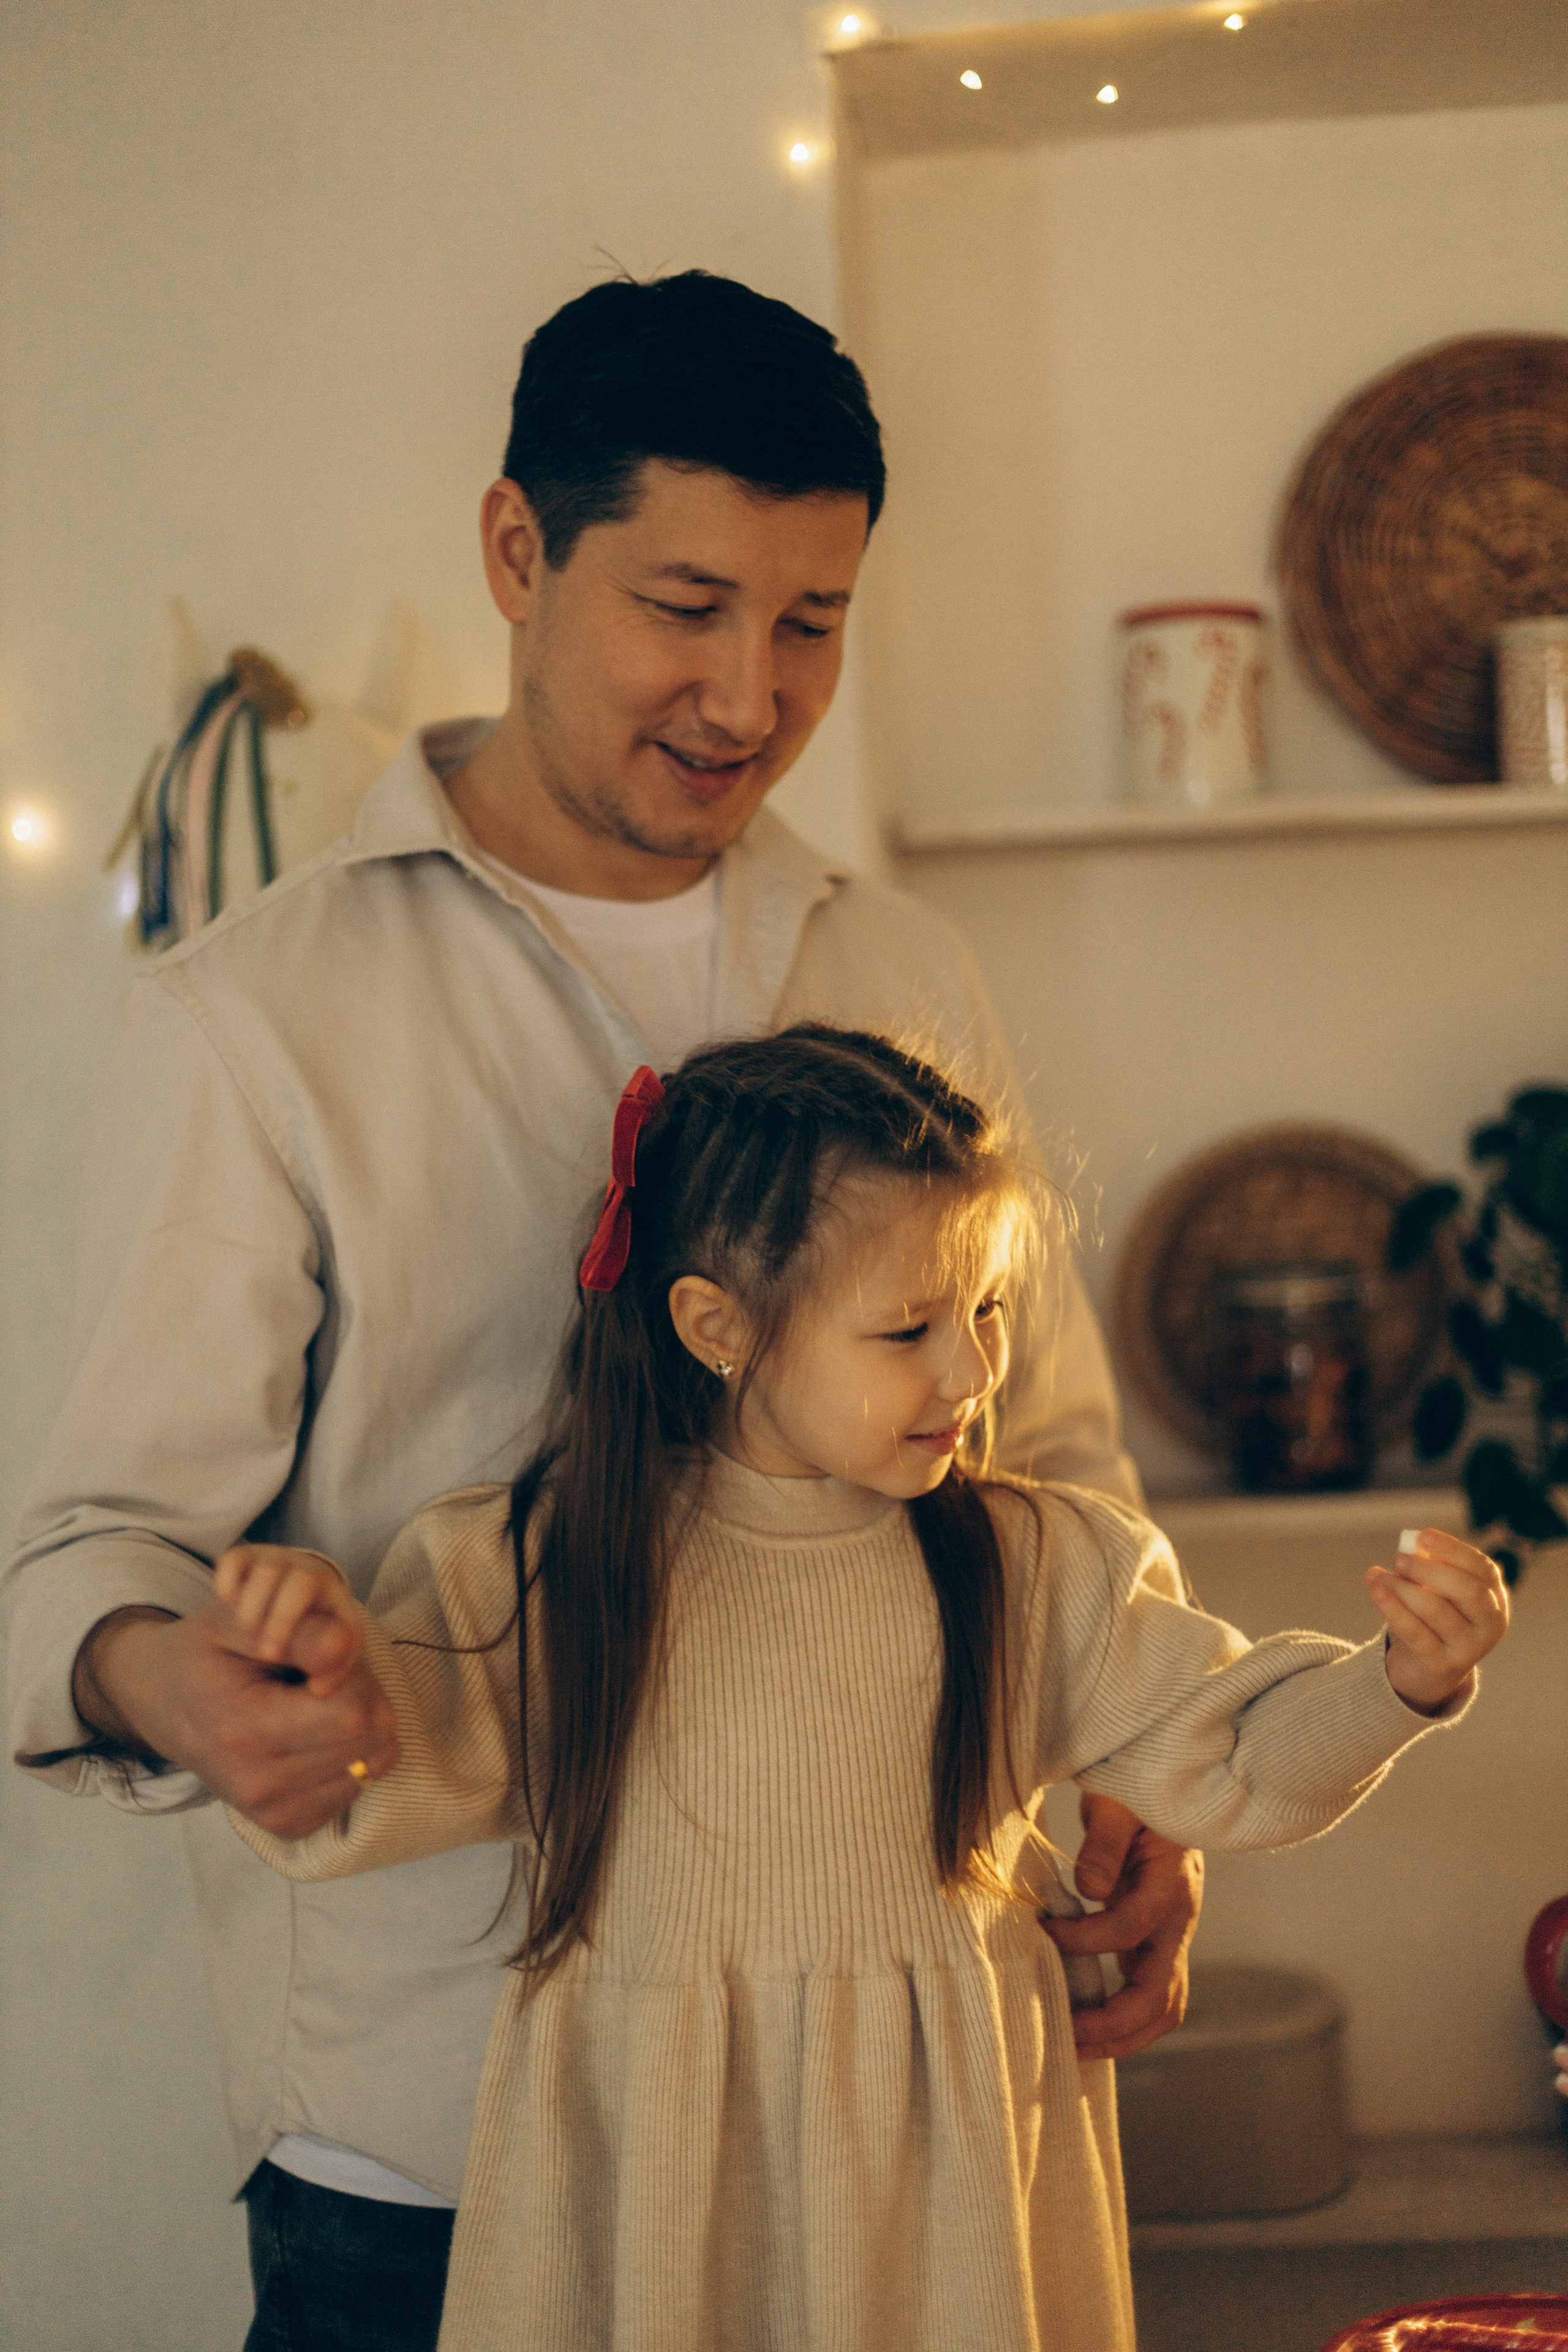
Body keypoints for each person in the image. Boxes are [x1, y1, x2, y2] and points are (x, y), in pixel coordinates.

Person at [6, 273, 1197, 2350]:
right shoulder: (254, 1020)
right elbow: (90, 1549)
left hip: (893, 2127)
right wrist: (178, 1682)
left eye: (812, 622)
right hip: (444, 2146)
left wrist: (1138, 1793)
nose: (750, 692)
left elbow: (1058, 1471)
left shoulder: (906, 968)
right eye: (687, 604)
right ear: (514, 553)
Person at [215, 1027, 1507, 2352]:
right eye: (909, 1327)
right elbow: (359, 1784)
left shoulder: (1033, 1561)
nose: (971, 1372)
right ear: (716, 1327)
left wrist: (1396, 1683)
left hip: (949, 2189)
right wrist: (309, 1669)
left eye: (989, 1309)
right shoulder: (551, 1565)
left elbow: (1235, 1756)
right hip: (658, 2179)